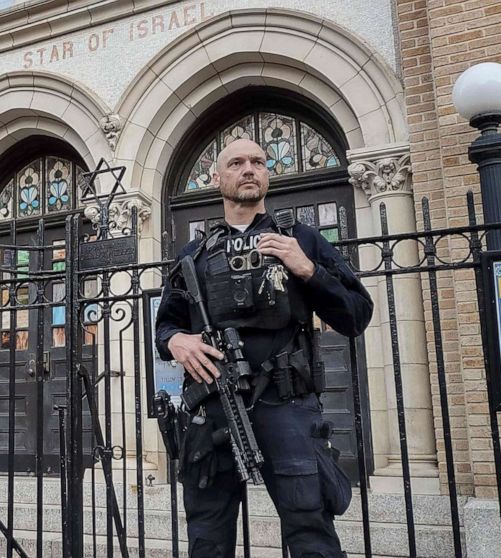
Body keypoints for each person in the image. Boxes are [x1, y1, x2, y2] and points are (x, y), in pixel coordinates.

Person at [155, 139, 373, 557]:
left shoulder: (302, 240)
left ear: (267, 175)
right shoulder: (192, 255)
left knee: (310, 528)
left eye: (257, 161)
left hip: (286, 404)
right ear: (217, 178)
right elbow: (165, 326)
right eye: (236, 163)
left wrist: (308, 270)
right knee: (207, 534)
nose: (248, 169)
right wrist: (176, 340)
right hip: (212, 406)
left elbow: (356, 315)